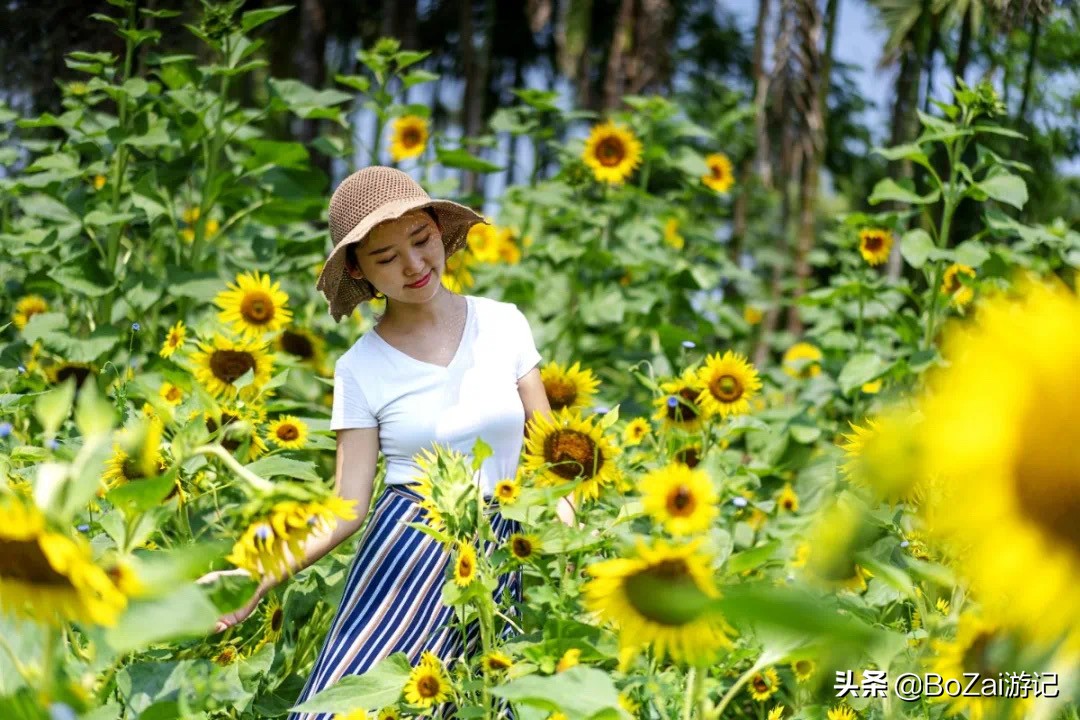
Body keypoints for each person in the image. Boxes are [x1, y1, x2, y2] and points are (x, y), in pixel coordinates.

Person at [198, 167, 573, 720]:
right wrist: (257, 572)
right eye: (386, 257)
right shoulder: (360, 368)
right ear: (359, 270)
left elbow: (552, 450)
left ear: (439, 232)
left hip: (495, 553)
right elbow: (345, 508)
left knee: (482, 705)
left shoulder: (504, 325)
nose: (414, 265)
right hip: (405, 556)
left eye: (420, 241)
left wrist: (572, 541)